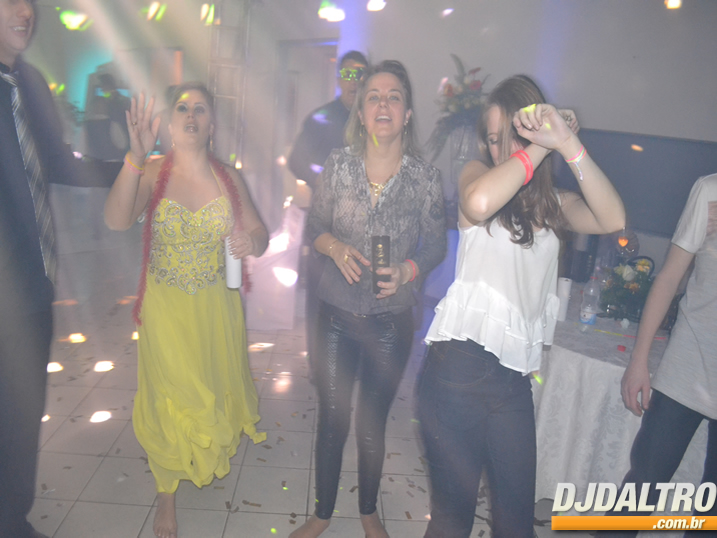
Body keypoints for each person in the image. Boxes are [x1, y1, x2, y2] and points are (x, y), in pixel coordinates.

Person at [418, 75, 626, 538]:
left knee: (516, 525)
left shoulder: (555, 205)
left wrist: (567, 142)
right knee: (452, 522)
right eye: (493, 139)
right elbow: (479, 201)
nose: (499, 149)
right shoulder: (475, 174)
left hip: (512, 382)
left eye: (510, 134)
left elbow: (613, 218)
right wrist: (537, 147)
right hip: (456, 371)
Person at [104, 83, 268, 538]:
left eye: (200, 109)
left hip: (217, 309)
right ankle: (167, 492)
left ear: (212, 124)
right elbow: (116, 220)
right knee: (169, 395)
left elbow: (260, 233)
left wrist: (251, 242)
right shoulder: (152, 171)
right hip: (166, 309)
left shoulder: (227, 177)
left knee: (209, 387)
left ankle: (199, 451)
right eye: (182, 108)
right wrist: (134, 156)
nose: (191, 115)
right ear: (171, 123)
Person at [291, 60, 446, 538]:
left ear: (407, 113)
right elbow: (314, 228)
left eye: (394, 96)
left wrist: (408, 270)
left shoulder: (425, 178)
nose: (383, 104)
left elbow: (436, 245)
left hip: (391, 320)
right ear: (360, 113)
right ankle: (322, 514)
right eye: (373, 96)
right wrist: (334, 248)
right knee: (333, 418)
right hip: (335, 314)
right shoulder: (338, 166)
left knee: (372, 422)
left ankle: (368, 511)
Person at [0, 0, 87, 535]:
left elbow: (59, 163)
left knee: (25, 412)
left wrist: (135, 166)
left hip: (36, 284)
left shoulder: (29, 83)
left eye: (30, 1)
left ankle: (13, 516)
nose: (25, 10)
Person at [598, 174, 717, 536]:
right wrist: (639, 361)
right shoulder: (710, 190)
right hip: (689, 363)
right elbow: (668, 278)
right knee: (643, 485)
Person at [288, 50, 368, 382]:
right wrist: (320, 180)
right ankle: (320, 367)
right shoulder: (321, 118)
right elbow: (296, 160)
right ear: (338, 78)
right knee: (320, 296)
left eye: (360, 74)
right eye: (347, 74)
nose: (354, 81)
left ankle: (352, 365)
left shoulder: (373, 119)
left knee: (356, 294)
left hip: (363, 225)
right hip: (326, 222)